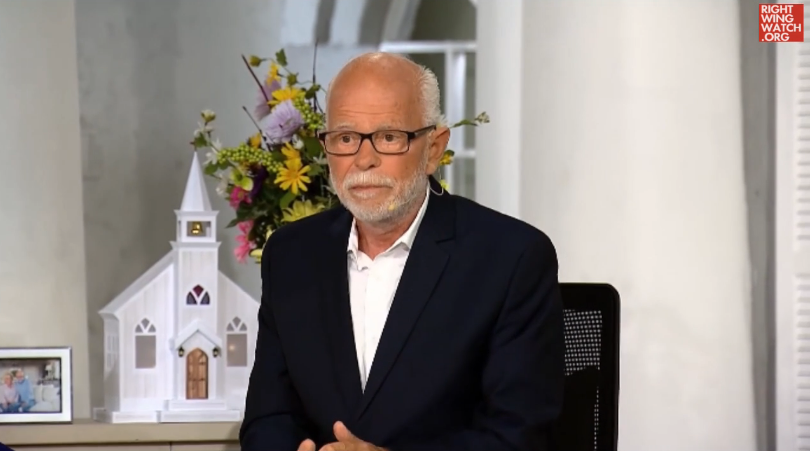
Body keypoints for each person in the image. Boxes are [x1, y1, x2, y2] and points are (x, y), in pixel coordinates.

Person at [240, 52, 565, 451]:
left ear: (434, 149)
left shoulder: (511, 258)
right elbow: (269, 417)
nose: (364, 160)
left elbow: (519, 436)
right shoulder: (291, 255)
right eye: (346, 138)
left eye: (389, 137)